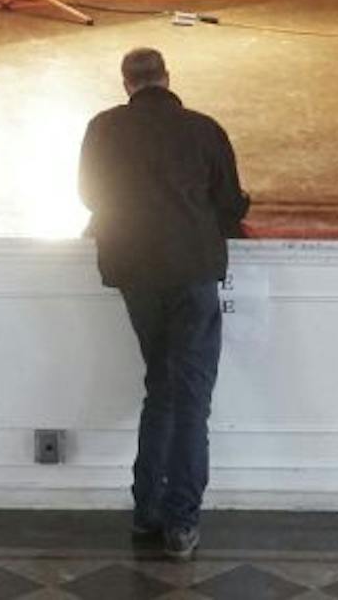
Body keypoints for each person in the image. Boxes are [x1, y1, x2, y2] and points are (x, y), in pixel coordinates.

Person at [78, 47, 250, 561]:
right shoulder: (204, 129)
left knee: (161, 387)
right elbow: (230, 202)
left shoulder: (102, 128)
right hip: (192, 272)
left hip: (134, 272)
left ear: (126, 83)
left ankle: (146, 510)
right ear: (167, 79)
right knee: (192, 397)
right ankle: (181, 522)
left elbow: (88, 196)